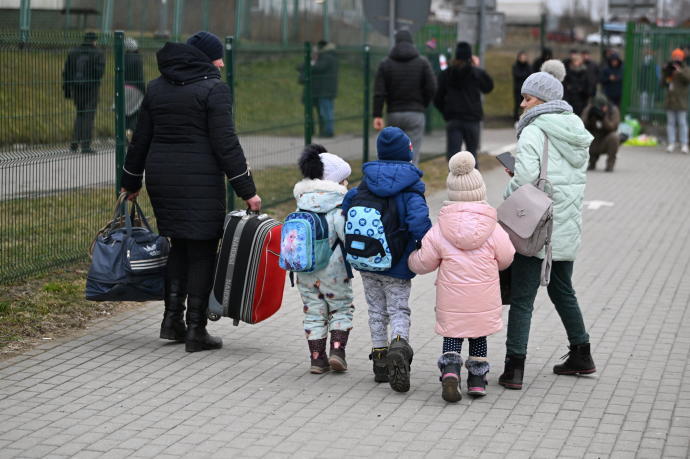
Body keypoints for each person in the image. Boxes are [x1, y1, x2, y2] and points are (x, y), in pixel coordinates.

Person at [120, 31, 262, 353]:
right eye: (218, 56)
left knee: (178, 245)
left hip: (163, 179)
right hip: (199, 181)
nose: (222, 62)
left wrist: (131, 181)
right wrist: (247, 190)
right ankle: (197, 328)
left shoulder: (157, 88)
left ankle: (172, 321)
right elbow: (226, 144)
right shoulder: (213, 89)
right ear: (204, 58)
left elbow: (140, 138)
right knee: (201, 250)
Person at [499, 60, 596, 391]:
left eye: (527, 98)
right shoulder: (575, 130)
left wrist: (510, 194)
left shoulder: (534, 130)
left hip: (536, 227)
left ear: (542, 100)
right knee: (562, 288)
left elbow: (526, 179)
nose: (522, 104)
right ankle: (581, 353)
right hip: (565, 224)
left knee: (523, 298)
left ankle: (514, 369)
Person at [408, 151, 514, 402]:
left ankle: (451, 372)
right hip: (483, 299)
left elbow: (424, 262)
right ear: (480, 191)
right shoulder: (493, 227)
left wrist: (409, 260)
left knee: (453, 335)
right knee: (478, 337)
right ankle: (477, 380)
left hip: (452, 300)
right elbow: (507, 257)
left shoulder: (441, 229)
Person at [342, 127, 432, 393]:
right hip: (397, 263)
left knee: (376, 311)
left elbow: (347, 207)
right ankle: (400, 346)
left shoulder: (365, 183)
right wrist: (424, 244)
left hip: (367, 261)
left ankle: (380, 361)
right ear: (408, 154)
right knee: (398, 309)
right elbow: (419, 224)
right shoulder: (411, 187)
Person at [292, 144, 354, 374]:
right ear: (333, 181)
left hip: (305, 269)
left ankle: (317, 359)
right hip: (334, 270)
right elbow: (346, 237)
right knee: (340, 308)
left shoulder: (301, 204)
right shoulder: (337, 207)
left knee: (313, 310)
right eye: (344, 180)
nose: (346, 184)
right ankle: (337, 351)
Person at [373, 30, 437, 165]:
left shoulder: (386, 63)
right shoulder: (422, 62)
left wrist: (377, 115)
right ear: (411, 42)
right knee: (412, 154)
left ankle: (393, 183)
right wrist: (422, 104)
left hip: (394, 113)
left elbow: (379, 91)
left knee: (393, 153)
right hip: (415, 113)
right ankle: (411, 183)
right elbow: (431, 87)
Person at [434, 42, 494, 165]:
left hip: (453, 119)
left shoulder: (446, 74)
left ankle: (454, 183)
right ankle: (473, 183)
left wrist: (446, 112)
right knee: (472, 155)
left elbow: (437, 98)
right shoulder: (476, 73)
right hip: (472, 119)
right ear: (470, 57)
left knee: (453, 157)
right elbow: (488, 87)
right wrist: (477, 67)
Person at [62, 31, 105, 154]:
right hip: (91, 88)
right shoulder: (98, 53)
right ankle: (86, 145)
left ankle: (74, 143)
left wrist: (67, 89)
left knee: (80, 114)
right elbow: (99, 73)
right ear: (94, 41)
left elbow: (67, 71)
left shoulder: (74, 52)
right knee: (89, 116)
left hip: (76, 88)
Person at [582, 94, 620, 172]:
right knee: (582, 137)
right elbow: (581, 126)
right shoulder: (589, 109)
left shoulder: (613, 110)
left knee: (614, 137)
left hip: (604, 140)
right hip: (593, 140)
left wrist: (603, 117)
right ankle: (591, 162)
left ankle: (610, 164)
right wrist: (590, 117)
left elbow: (613, 127)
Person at [662, 48, 690, 154]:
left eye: (679, 56)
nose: (677, 58)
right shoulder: (670, 68)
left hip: (681, 101)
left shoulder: (685, 68)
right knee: (670, 123)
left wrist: (680, 72)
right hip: (670, 100)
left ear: (682, 57)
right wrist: (665, 71)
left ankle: (684, 144)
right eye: (675, 56)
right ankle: (671, 143)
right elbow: (663, 83)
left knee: (682, 123)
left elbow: (688, 79)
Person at [311, 40, 338, 138]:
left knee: (326, 111)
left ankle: (328, 131)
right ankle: (328, 130)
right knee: (327, 110)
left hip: (325, 89)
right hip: (329, 89)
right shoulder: (332, 57)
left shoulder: (327, 57)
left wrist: (311, 63)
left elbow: (319, 67)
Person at [124, 37, 145, 139]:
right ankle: (130, 135)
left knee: (124, 113)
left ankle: (123, 134)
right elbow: (140, 77)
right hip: (135, 88)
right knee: (135, 112)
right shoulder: (138, 58)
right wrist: (144, 90)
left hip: (123, 87)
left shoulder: (122, 57)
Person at [563, 52, 592, 116]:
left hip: (581, 99)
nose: (576, 62)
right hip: (570, 99)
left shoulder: (584, 72)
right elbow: (565, 85)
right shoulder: (568, 72)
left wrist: (582, 90)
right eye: (575, 61)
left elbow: (588, 85)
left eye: (578, 61)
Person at [512, 51, 532, 122]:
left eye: (524, 57)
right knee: (517, 104)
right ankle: (516, 120)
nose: (523, 58)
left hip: (527, 90)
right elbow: (517, 75)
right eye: (521, 57)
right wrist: (524, 75)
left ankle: (526, 118)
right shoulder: (515, 66)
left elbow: (529, 75)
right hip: (518, 89)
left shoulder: (528, 66)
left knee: (527, 104)